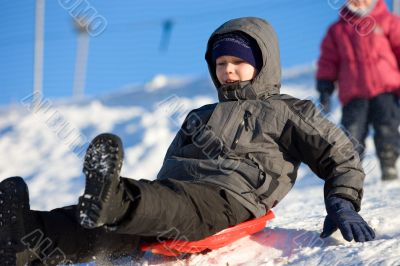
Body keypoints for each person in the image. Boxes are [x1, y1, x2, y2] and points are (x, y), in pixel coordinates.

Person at [0, 17, 375, 266]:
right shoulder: (199, 115)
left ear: (263, 63)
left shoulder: (287, 110)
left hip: (232, 198)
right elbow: (171, 169)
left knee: (148, 204)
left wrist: (342, 202)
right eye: (220, 62)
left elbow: (340, 156)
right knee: (106, 221)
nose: (227, 70)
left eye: (238, 62)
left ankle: (116, 200)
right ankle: (29, 234)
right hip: (177, 195)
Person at [316, 0, 400, 181]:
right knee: (352, 132)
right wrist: (325, 87)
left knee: (387, 126)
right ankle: (350, 170)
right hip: (354, 93)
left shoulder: (388, 21)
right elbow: (328, 60)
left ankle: (389, 162)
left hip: (385, 88)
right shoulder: (337, 30)